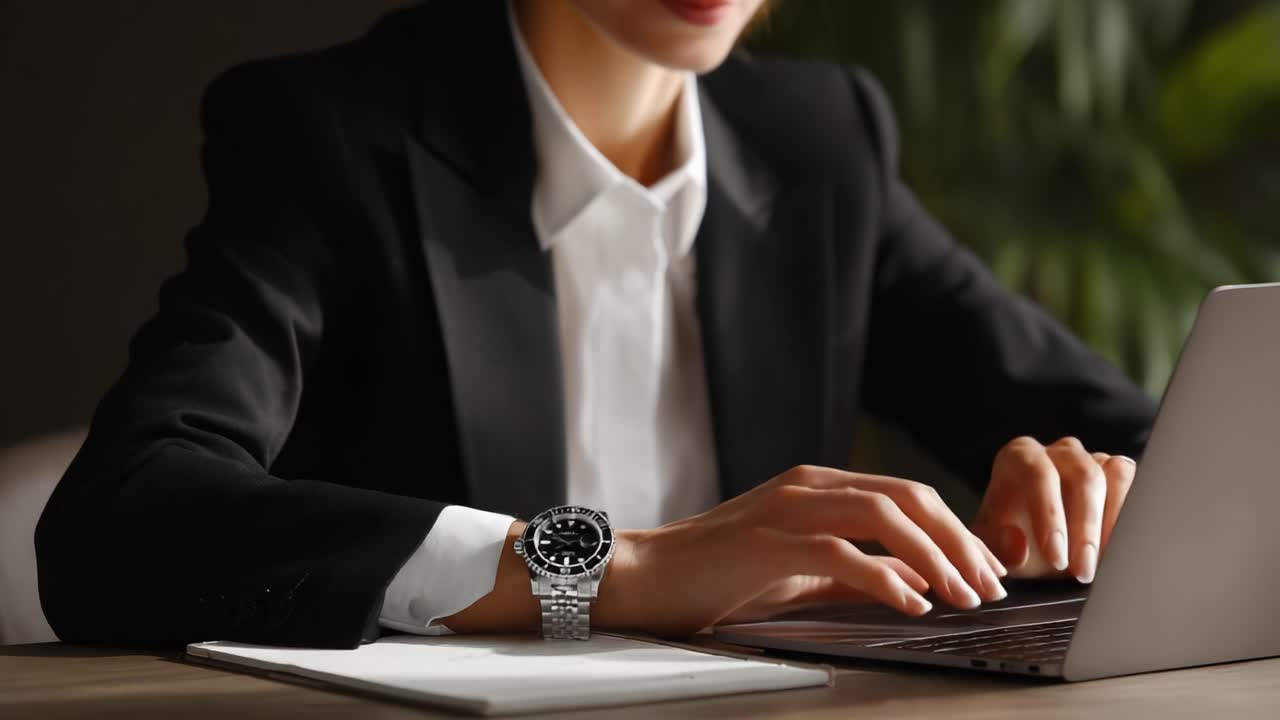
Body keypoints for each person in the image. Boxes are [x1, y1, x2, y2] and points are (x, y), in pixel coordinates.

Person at [35, 0, 1156, 649]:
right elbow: (121, 514)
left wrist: (1096, 490)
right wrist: (604, 568)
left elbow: (1165, 439)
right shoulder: (335, 135)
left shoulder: (819, 143)